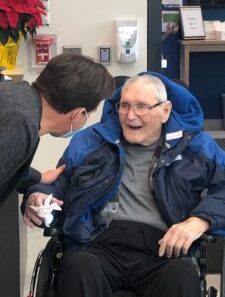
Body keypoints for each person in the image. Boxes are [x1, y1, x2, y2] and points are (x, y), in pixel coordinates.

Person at [22, 73, 225, 297]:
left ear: (165, 110)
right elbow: (58, 183)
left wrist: (200, 221)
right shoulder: (91, 141)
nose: (130, 115)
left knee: (182, 275)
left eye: (141, 106)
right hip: (97, 243)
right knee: (80, 267)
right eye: (125, 105)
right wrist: (38, 197)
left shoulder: (196, 146)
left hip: (165, 250)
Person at [0, 53, 115, 202]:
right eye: (89, 114)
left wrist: (39, 177)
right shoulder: (21, 124)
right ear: (78, 113)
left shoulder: (17, 97)